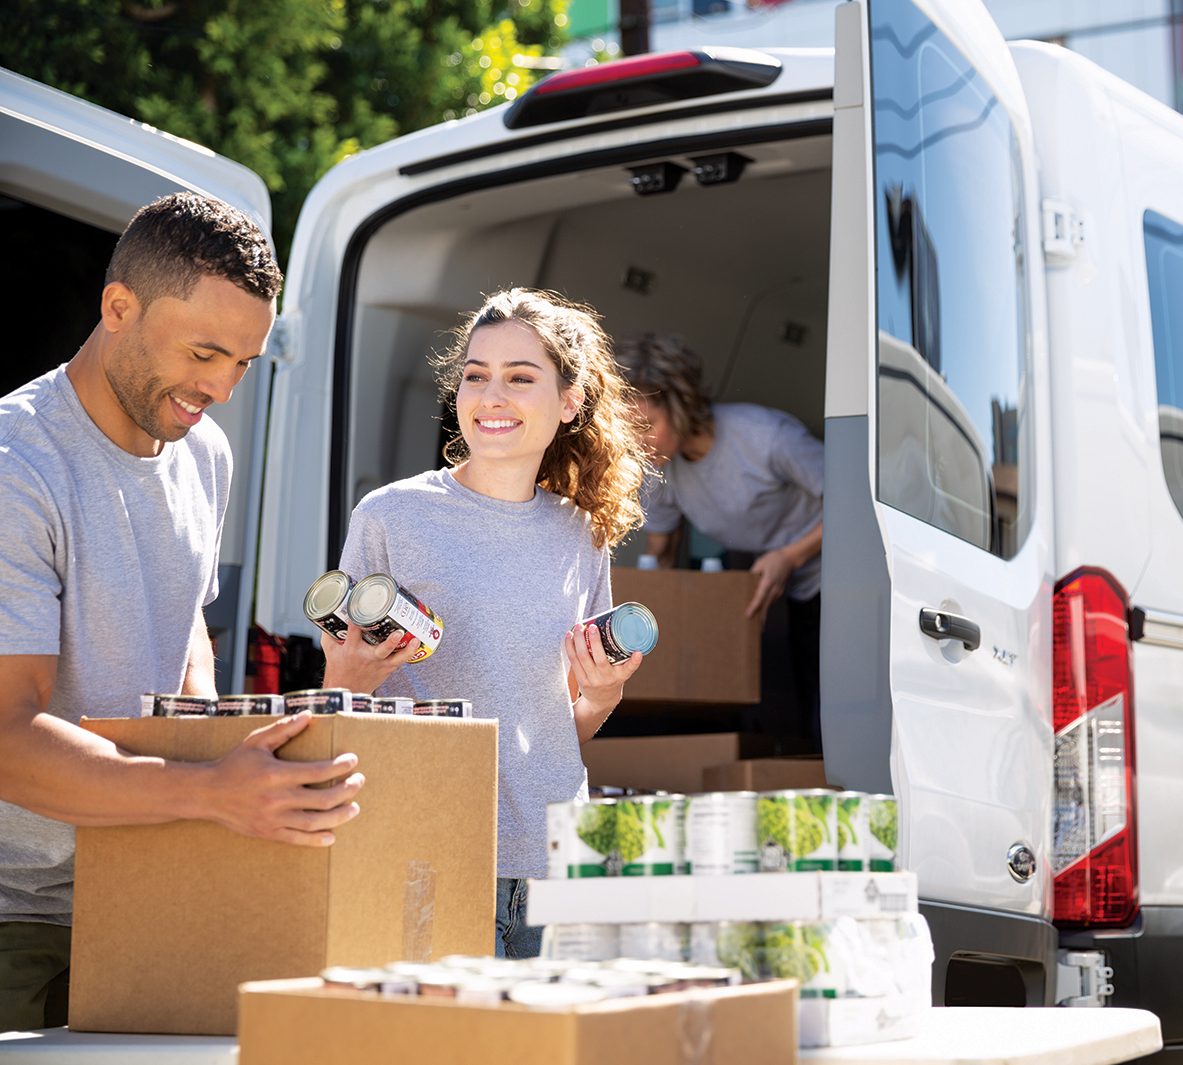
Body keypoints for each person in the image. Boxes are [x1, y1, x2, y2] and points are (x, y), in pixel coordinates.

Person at [0, 193, 365, 1032]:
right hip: (18, 914)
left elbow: (185, 623)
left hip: (153, 880)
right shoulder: (19, 466)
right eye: (205, 352)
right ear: (117, 307)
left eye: (243, 362)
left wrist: (226, 749)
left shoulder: (202, 451)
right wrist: (208, 791)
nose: (222, 387)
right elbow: (6, 738)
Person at [321, 288, 650, 958]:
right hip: (429, 850)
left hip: (554, 856)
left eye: (520, 378)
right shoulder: (390, 516)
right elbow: (342, 708)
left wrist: (603, 695)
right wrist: (346, 677)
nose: (490, 395)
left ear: (570, 401)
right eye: (476, 375)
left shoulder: (581, 533)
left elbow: (559, 724)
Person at [614, 333, 824, 748]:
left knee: (822, 707)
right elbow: (661, 554)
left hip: (833, 574)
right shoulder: (662, 468)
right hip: (766, 578)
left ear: (680, 406)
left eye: (647, 426)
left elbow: (855, 496)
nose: (637, 441)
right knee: (781, 701)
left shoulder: (766, 436)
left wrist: (789, 556)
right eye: (628, 429)